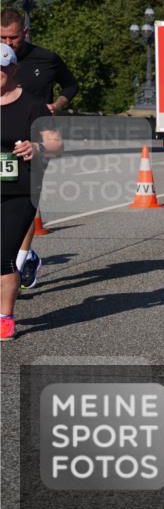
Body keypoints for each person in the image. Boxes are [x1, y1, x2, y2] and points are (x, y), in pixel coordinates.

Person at [1, 9, 79, 290]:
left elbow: (71, 86)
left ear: (25, 33)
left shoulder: (46, 58)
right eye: (2, 38)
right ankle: (18, 255)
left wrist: (55, 106)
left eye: (13, 38)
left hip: (36, 142)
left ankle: (18, 261)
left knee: (25, 199)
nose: (8, 43)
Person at [1, 43, 62, 341]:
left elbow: (55, 145)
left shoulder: (32, 105)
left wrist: (34, 146)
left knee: (2, 255)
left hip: (20, 190)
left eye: (1, 69)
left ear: (13, 70)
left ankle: (5, 318)